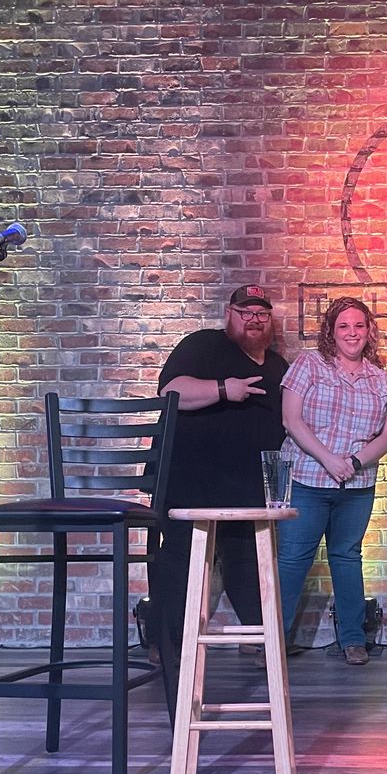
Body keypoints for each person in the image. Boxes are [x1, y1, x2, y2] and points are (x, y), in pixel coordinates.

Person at [153, 284, 287, 716]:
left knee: (248, 566)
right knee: (181, 564)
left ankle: (264, 645)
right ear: (229, 314)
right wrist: (225, 390)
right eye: (245, 312)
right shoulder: (204, 345)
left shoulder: (278, 366)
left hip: (247, 492)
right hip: (191, 485)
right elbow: (171, 391)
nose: (254, 319)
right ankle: (170, 652)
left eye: (261, 313)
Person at [277, 297, 387, 666]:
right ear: (331, 331)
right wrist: (329, 459)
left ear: (369, 331)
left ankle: (353, 639)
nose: (352, 333)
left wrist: (356, 462)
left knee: (347, 558)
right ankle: (273, 642)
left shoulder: (380, 379)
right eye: (343, 326)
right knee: (293, 560)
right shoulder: (309, 365)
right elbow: (291, 420)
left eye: (359, 325)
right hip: (307, 480)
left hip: (356, 487)